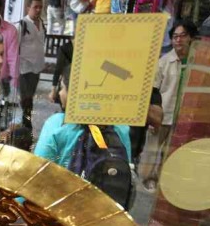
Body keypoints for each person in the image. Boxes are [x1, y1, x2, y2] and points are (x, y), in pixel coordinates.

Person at [138, 19, 198, 191]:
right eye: (175, 37)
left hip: (183, 116)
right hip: (163, 114)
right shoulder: (164, 62)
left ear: (191, 38)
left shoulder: (196, 62)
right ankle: (146, 180)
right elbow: (152, 91)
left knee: (171, 152)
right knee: (152, 149)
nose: (178, 40)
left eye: (182, 36)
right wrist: (151, 116)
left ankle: (163, 180)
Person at [35, 64, 131, 168]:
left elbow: (38, 169)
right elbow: (126, 168)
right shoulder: (120, 127)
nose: (60, 93)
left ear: (72, 93)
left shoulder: (57, 124)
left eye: (62, 87)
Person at [18, 0, 46, 130]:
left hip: (37, 67)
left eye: (40, 7)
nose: (38, 10)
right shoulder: (22, 24)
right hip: (25, 68)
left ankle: (26, 121)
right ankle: (26, 123)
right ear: (28, 7)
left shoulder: (41, 23)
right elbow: (15, 47)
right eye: (36, 7)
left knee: (30, 96)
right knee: (26, 98)